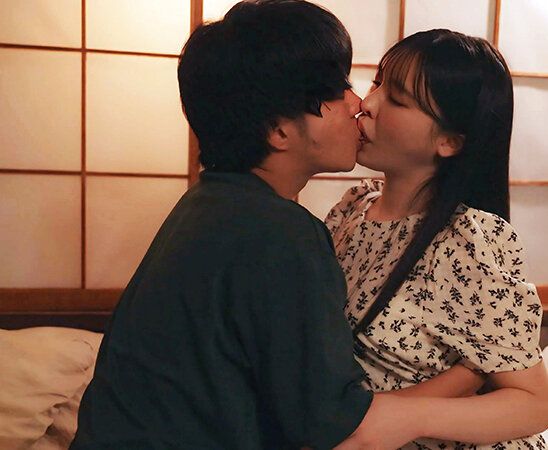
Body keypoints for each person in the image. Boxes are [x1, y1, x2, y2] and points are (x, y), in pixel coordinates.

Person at [70, 1, 425, 448]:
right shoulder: (281, 233)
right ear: (279, 130)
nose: (358, 104)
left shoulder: (207, 202)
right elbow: (331, 420)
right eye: (338, 92)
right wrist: (466, 378)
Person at [327, 29, 548, 449]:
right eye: (377, 83)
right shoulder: (353, 208)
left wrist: (407, 416)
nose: (368, 103)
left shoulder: (468, 240)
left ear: (450, 141)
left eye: (397, 99)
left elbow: (533, 404)